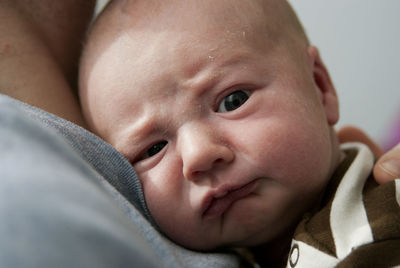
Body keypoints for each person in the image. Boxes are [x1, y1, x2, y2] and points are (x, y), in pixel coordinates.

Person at [0, 0, 399, 267]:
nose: (198, 156)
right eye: (153, 148)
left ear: (320, 86)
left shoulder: (385, 203)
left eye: (233, 100)